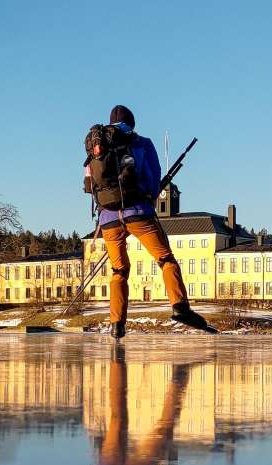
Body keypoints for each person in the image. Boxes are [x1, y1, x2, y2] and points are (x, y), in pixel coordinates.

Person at [84, 105, 209, 339]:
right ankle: (180, 307)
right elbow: (152, 178)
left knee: (119, 270)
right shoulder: (141, 143)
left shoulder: (97, 146)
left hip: (108, 218)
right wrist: (150, 197)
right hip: (138, 212)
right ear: (132, 123)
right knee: (165, 259)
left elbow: (90, 185)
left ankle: (116, 324)